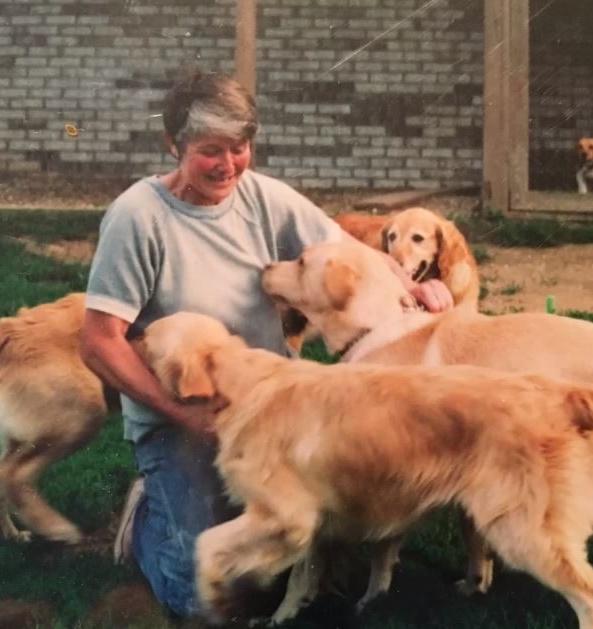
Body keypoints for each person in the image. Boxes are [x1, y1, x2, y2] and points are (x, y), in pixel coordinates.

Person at [79, 68, 453, 619]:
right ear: (173, 143)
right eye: (211, 150)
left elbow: (351, 252)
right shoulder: (138, 217)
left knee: (306, 565)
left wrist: (416, 284)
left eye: (240, 147)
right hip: (182, 419)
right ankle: (142, 524)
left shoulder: (264, 197)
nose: (228, 165)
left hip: (274, 410)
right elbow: (99, 342)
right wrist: (184, 414)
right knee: (205, 596)